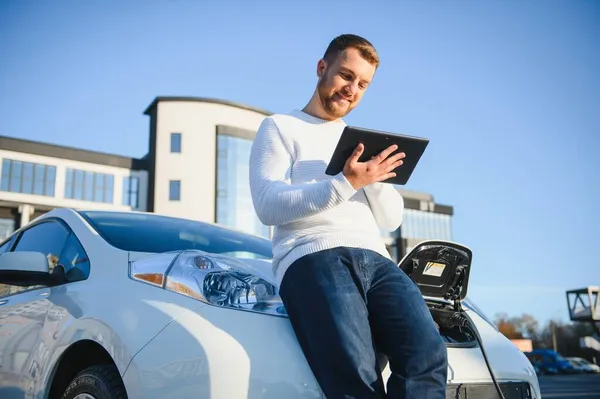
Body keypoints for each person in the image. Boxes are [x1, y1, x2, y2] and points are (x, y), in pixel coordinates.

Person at [248, 34, 447, 399]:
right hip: (314, 257)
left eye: (363, 84)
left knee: (427, 353)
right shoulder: (279, 126)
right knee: (356, 376)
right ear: (322, 68)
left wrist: (372, 179)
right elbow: (267, 204)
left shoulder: (360, 141)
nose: (352, 89)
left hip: (378, 260)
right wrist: (345, 182)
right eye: (345, 75)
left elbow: (390, 218)